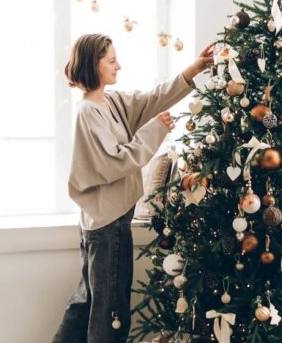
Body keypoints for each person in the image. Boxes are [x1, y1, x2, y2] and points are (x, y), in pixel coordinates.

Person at [53, 33, 213, 343]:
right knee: (110, 312)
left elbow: (152, 98)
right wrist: (155, 130)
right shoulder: (89, 112)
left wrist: (192, 69)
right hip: (107, 226)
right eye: (111, 61)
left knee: (88, 305)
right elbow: (115, 161)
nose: (119, 66)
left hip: (105, 221)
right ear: (93, 64)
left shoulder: (109, 102)